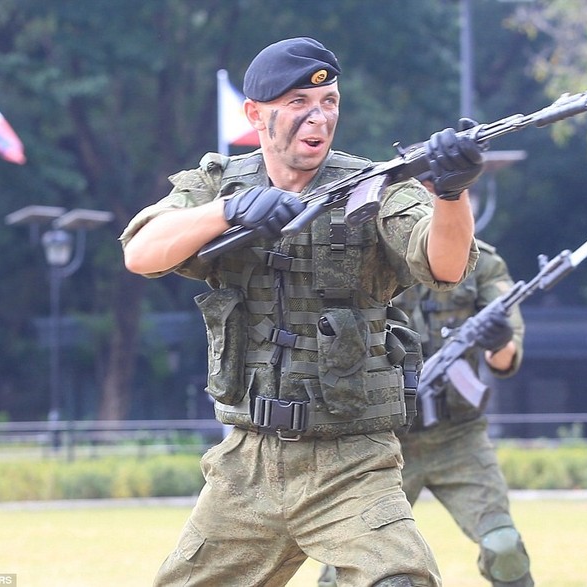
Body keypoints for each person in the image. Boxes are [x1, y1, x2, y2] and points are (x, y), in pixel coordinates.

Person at [121, 37, 485, 586]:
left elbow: (447, 264)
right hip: (247, 466)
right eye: (298, 104)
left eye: (330, 103)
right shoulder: (220, 186)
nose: (318, 118)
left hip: (351, 464)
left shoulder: (375, 188)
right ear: (256, 114)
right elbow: (140, 252)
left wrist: (451, 194)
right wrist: (228, 211)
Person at [318, 238, 533, 587]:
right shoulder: (367, 255)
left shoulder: (482, 262)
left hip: (459, 438)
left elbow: (505, 358)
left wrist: (498, 339)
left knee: (504, 547)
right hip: (384, 440)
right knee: (345, 568)